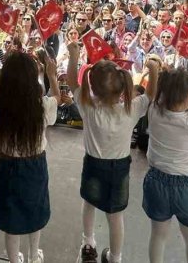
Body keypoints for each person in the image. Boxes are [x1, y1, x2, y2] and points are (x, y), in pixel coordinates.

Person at [66, 44, 159, 263]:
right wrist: (154, 71)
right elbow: (151, 94)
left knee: (88, 203)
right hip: (119, 169)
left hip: (93, 165)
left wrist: (73, 56)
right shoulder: (131, 108)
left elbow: (71, 81)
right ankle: (115, 257)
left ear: (92, 86)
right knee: (115, 215)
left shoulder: (88, 107)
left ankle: (88, 244)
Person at [0, 51, 61, 263]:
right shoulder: (41, 106)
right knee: (34, 211)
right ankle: (33, 255)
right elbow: (57, 98)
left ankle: (13, 259)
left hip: (8, 166)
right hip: (35, 165)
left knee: (12, 218)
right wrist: (52, 76)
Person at [144, 64, 188, 263]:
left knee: (158, 235)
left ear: (162, 93)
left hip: (156, 181)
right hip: (187, 187)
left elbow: (153, 96)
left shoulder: (153, 113)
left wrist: (160, 75)